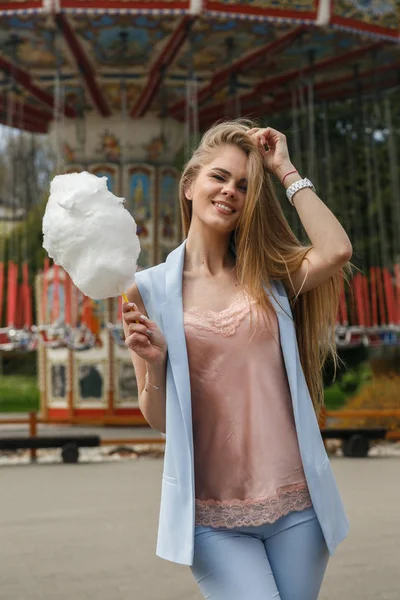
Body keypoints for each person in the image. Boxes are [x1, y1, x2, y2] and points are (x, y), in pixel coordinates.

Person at [122, 121, 352, 600]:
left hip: (298, 508)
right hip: (211, 518)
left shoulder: (270, 278)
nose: (229, 191)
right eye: (219, 177)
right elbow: (158, 418)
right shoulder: (145, 290)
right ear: (190, 185)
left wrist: (285, 171)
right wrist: (157, 364)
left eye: (244, 186)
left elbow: (336, 251)